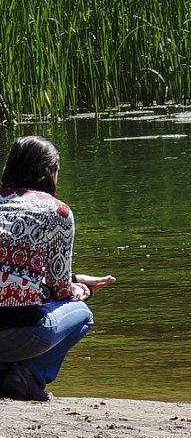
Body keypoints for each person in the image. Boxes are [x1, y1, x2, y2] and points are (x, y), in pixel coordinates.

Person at [0, 136, 115, 401]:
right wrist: (84, 288)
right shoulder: (57, 212)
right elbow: (61, 291)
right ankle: (29, 375)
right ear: (50, 172)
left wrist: (74, 278)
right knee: (82, 313)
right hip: (20, 335)